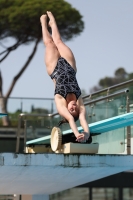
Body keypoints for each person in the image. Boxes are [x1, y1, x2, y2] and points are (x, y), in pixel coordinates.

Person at [40, 11, 91, 143]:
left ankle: (43, 24)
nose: (73, 108)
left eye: (71, 110)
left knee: (50, 44)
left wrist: (76, 133)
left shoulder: (61, 102)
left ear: (68, 110)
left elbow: (70, 119)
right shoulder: (79, 100)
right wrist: (85, 133)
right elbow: (83, 120)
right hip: (70, 66)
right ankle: (53, 22)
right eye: (76, 110)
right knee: (58, 41)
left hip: (54, 69)